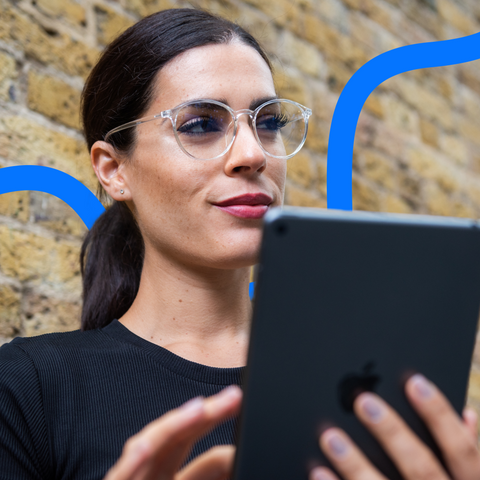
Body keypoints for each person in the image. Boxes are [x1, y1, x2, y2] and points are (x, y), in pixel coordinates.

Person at [0, 7, 479, 480]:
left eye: (268, 122)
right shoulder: (27, 389)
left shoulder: (368, 382)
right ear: (113, 169)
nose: (252, 154)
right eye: (201, 125)